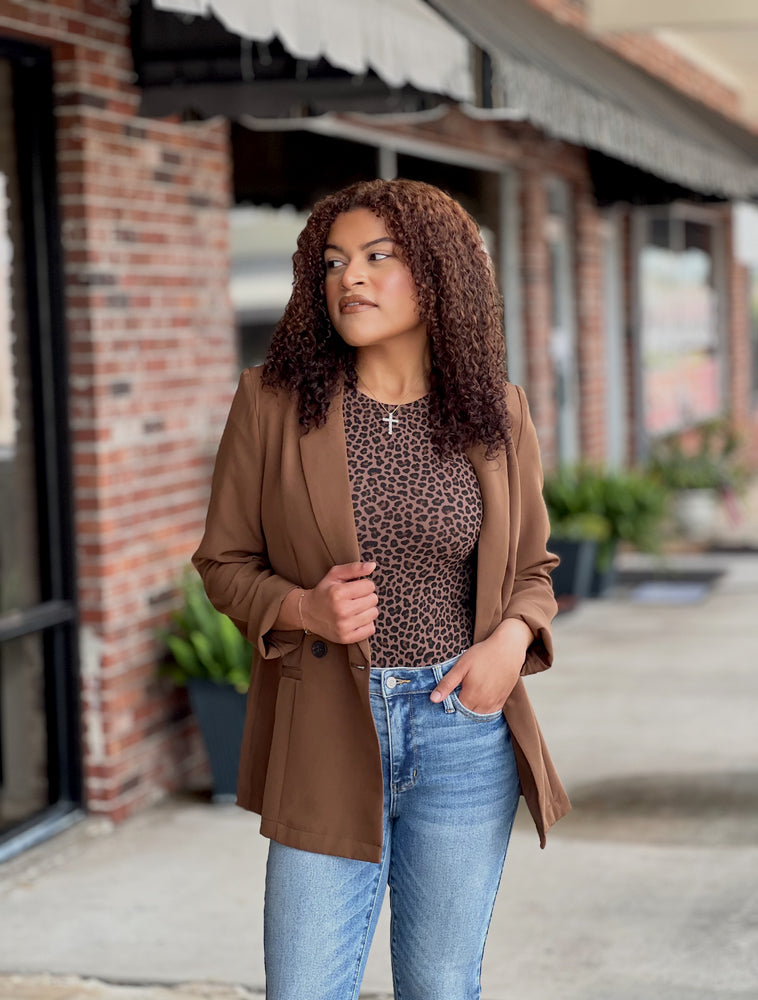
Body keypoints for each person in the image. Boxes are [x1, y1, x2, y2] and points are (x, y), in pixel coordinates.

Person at [192, 179, 570, 1000]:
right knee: (304, 986)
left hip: (461, 735)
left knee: (439, 984)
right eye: (332, 262)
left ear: (437, 275)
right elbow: (223, 563)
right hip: (327, 726)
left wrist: (510, 645)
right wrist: (301, 608)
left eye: (377, 257)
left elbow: (535, 569)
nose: (348, 278)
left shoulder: (498, 414)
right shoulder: (270, 404)